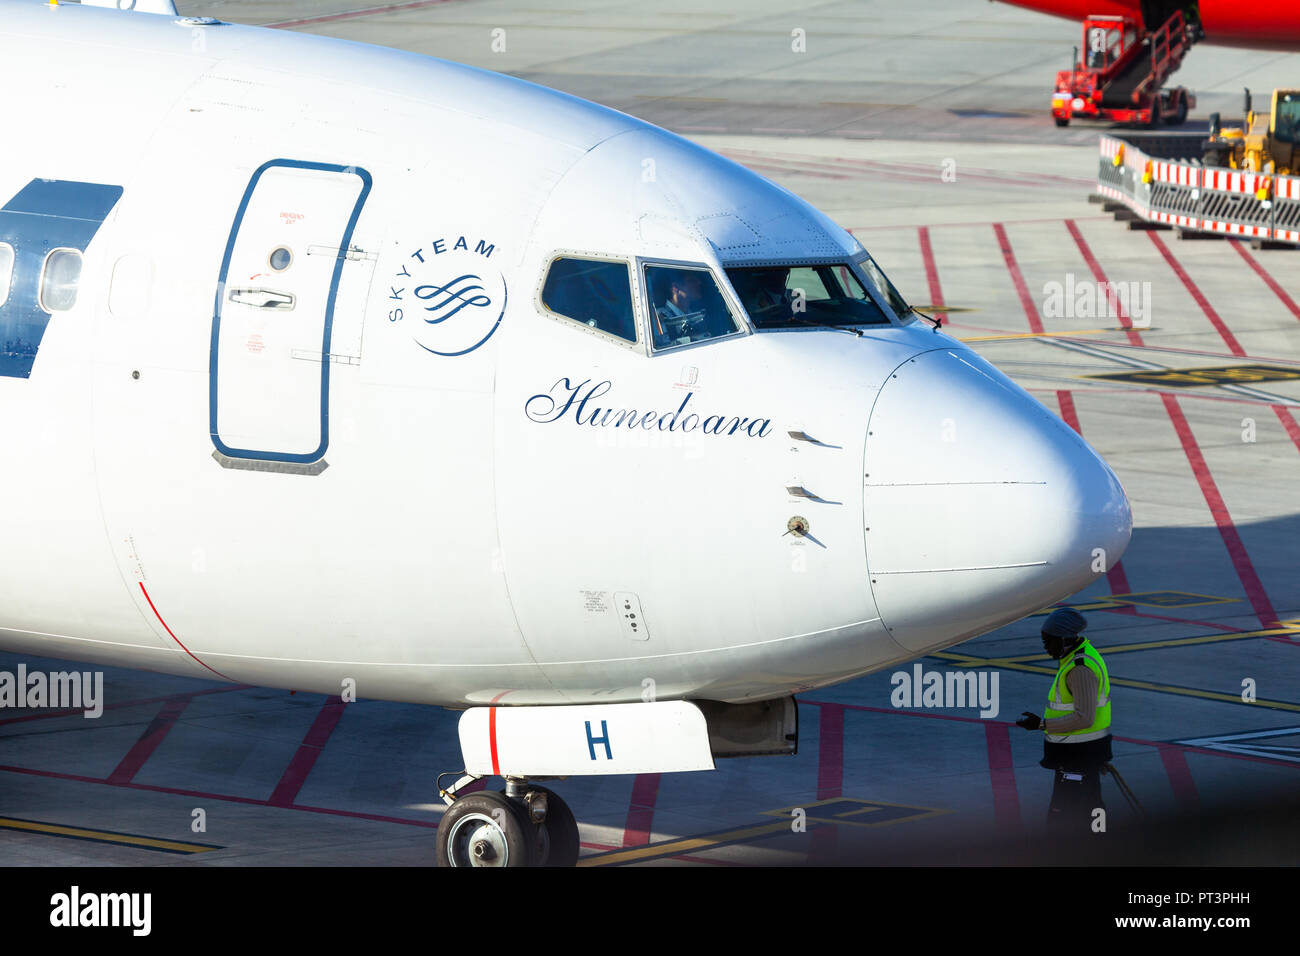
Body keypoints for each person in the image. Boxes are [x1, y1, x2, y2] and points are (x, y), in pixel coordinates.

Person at [1015, 608, 1112, 834]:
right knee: (1092, 818)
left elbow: (1084, 718)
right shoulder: (1074, 658)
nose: (1045, 647)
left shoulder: (1080, 669)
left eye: (1049, 641)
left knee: (1062, 823)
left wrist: (1041, 725)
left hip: (1077, 761)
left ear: (1066, 640)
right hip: (1083, 758)